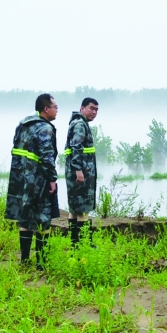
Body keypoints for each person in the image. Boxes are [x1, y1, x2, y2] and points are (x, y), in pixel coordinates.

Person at [5, 94, 60, 270]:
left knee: (25, 218)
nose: (57, 110)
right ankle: (41, 263)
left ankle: (24, 259)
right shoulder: (44, 128)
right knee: (43, 218)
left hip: (21, 179)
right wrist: (52, 179)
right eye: (55, 107)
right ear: (46, 109)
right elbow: (47, 157)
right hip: (38, 180)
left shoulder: (23, 124)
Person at [64, 98, 99, 246]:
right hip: (81, 174)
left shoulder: (78, 123)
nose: (94, 112)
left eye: (96, 110)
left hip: (76, 172)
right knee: (83, 209)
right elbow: (76, 148)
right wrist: (79, 170)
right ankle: (84, 244)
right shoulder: (80, 125)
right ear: (82, 108)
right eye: (91, 108)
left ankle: (75, 243)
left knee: (74, 208)